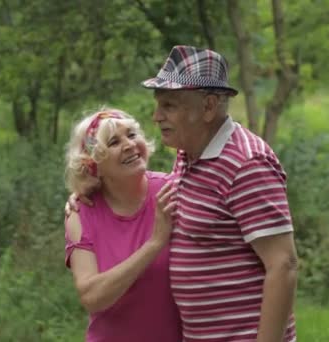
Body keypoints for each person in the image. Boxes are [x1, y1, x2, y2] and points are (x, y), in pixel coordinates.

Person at [68, 45, 298, 342]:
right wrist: (85, 193)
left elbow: (283, 265)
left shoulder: (247, 164)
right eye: (158, 104)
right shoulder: (186, 156)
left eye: (169, 105)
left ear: (208, 106)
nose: (156, 116)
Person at [63, 108, 182, 342]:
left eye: (132, 135)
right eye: (114, 142)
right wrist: (154, 244)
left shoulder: (173, 191)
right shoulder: (81, 212)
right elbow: (92, 297)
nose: (129, 145)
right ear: (93, 164)